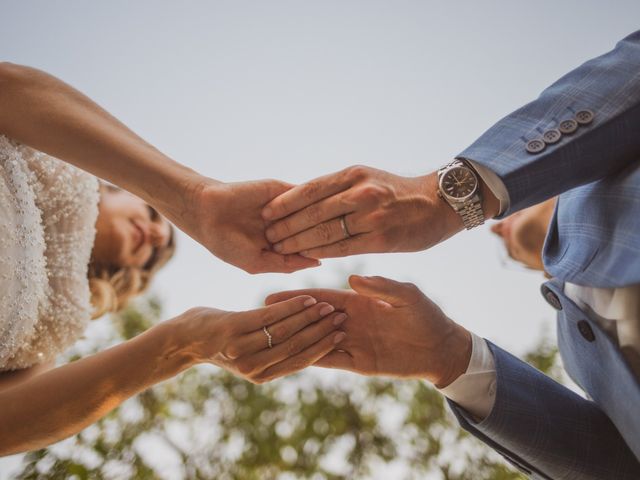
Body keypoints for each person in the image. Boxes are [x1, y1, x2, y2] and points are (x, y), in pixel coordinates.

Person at [265, 30, 640, 478]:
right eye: (511, 257)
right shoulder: (582, 356)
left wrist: (452, 196)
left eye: (504, 218)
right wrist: (448, 359)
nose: (498, 232)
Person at [0, 64, 347, 455]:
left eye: (150, 258)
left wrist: (185, 342)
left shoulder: (57, 328)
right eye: (152, 214)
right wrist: (192, 199)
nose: (155, 235)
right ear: (115, 190)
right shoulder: (55, 149)